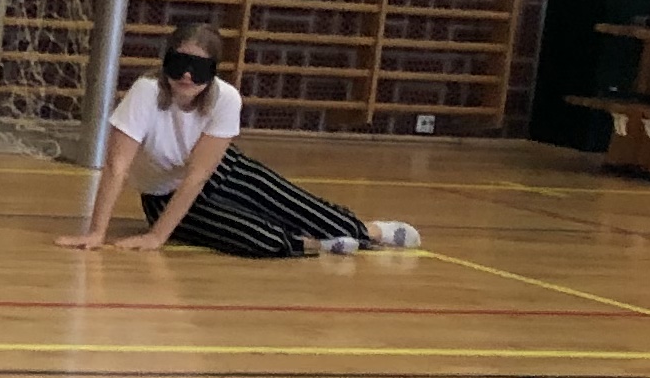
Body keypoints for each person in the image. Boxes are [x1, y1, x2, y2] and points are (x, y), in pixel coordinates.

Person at [57, 20, 417, 259]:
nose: (186, 75)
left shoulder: (226, 99)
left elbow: (199, 175)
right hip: (162, 194)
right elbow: (117, 166)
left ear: (213, 71)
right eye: (179, 63)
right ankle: (318, 246)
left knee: (300, 207)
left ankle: (368, 231)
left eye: (197, 68)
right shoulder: (145, 93)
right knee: (257, 239)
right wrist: (97, 232)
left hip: (223, 171)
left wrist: (157, 238)